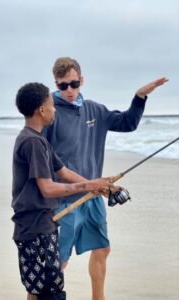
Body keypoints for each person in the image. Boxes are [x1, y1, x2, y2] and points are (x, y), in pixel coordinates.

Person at [43, 57, 169, 300]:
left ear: (82, 80)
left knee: (102, 249)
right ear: (56, 85)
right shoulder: (50, 113)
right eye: (62, 86)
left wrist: (139, 97)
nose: (69, 90)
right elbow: (43, 158)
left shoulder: (94, 110)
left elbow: (128, 123)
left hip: (93, 197)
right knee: (60, 260)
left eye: (73, 83)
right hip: (65, 199)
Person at [11, 82, 117, 300]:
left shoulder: (40, 140)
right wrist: (88, 186)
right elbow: (48, 188)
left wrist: (99, 185)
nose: (55, 109)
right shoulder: (32, 143)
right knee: (45, 292)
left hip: (45, 225)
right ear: (42, 110)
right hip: (33, 229)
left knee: (47, 289)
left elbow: (64, 171)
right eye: (52, 105)